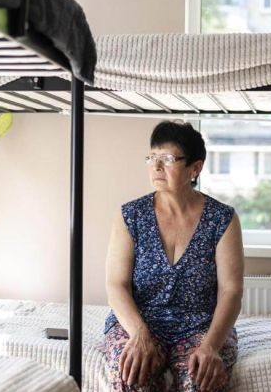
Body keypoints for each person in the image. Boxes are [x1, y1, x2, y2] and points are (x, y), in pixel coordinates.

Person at [103, 120, 244, 392]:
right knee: (131, 377)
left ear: (195, 168)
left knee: (200, 382)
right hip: (139, 322)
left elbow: (232, 291)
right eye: (152, 157)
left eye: (167, 158)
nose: (156, 166)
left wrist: (210, 346)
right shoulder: (130, 216)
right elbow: (116, 285)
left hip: (201, 327)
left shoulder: (222, 219)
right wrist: (139, 333)